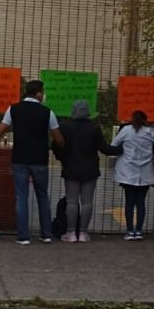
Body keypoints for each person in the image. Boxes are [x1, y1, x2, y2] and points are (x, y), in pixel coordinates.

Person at [0, 80, 65, 245]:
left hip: (20, 159)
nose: (43, 95)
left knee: (21, 197)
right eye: (42, 92)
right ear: (38, 93)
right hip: (40, 160)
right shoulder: (47, 112)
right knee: (42, 196)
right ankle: (46, 234)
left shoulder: (13, 109)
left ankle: (23, 236)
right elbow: (59, 139)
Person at [54, 100, 123, 243]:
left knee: (71, 201)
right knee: (87, 201)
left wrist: (62, 158)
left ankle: (71, 232)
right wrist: (121, 148)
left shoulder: (65, 127)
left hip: (71, 167)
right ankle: (83, 233)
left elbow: (56, 145)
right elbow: (104, 148)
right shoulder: (94, 128)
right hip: (90, 169)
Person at [111, 110, 154, 241]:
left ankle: (130, 231)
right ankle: (139, 230)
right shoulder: (150, 132)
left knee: (129, 201)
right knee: (140, 202)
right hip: (145, 172)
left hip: (128, 171)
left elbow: (114, 145)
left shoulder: (126, 131)